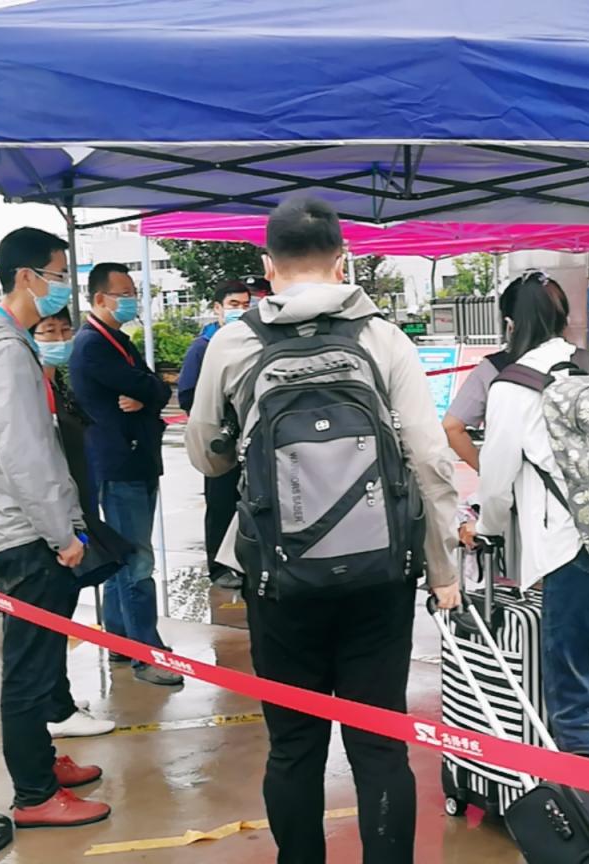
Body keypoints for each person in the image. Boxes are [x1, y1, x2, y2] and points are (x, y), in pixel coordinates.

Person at [186, 197, 462, 864]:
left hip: (280, 579)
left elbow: (205, 454)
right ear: (343, 262)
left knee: (294, 746)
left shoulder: (234, 341)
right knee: (379, 744)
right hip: (379, 576)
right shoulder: (383, 338)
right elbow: (429, 459)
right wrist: (444, 570)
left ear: (267, 265)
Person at [0, 227, 109, 827]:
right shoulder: (3, 352)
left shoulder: (5, 343)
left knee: (41, 663)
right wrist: (62, 535)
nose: (64, 287)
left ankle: (43, 764)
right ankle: (35, 795)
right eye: (59, 275)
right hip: (29, 537)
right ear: (27, 277)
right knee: (28, 669)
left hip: (30, 530)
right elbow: (24, 456)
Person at [465, 272, 589, 755]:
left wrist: (484, 530)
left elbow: (496, 483)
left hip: (576, 554)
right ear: (563, 317)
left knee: (573, 702)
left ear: (509, 324)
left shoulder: (513, 385)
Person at [69, 263, 181, 687]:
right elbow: (153, 387)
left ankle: (120, 637)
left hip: (134, 460)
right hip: (119, 463)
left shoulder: (119, 340)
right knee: (136, 560)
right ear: (100, 298)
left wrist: (147, 395)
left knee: (123, 555)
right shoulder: (93, 346)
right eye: (124, 293)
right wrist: (149, 393)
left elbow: (155, 387)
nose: (132, 299)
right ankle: (146, 654)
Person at [31, 308, 117, 740]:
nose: (60, 338)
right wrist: (61, 532)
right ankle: (55, 709)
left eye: (66, 329)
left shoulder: (53, 383)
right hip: (52, 524)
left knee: (60, 617)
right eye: (48, 331)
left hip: (74, 509)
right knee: (48, 621)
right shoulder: (29, 388)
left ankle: (57, 698)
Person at [177, 279, 252, 590]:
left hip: (250, 437)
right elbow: (187, 394)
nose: (240, 311)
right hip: (220, 440)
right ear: (218, 308)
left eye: (245, 305)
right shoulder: (203, 347)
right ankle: (219, 567)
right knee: (221, 502)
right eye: (234, 305)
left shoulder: (252, 342)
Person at [442, 280, 524, 470]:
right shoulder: (576, 364)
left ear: (508, 323)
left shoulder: (493, 368)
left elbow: (451, 427)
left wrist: (486, 470)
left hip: (511, 479)